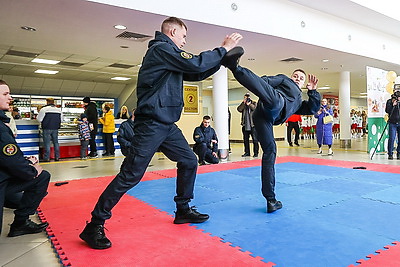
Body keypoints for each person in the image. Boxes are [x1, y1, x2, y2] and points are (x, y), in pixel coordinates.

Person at [79, 16, 242, 250]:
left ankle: (183, 210)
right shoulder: (161, 49)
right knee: (130, 175)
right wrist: (223, 48)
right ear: (173, 32)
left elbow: (195, 73)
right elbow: (194, 63)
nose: (185, 42)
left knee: (189, 161)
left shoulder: (169, 57)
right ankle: (94, 225)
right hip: (151, 125)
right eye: (184, 36)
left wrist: (221, 61)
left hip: (167, 125)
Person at [221, 47, 320, 213]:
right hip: (269, 104)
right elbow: (266, 81)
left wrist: (313, 92)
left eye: (301, 78)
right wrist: (260, 87)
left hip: (267, 119)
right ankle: (234, 66)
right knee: (273, 98)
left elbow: (311, 109)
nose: (297, 78)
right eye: (295, 76)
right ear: (291, 77)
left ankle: (271, 199)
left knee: (270, 151)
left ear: (303, 83)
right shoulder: (284, 80)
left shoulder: (298, 102)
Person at [0, 79, 50, 237]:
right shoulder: (1, 128)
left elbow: (8, 157)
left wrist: (25, 161)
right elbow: (12, 161)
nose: (10, 98)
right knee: (42, 176)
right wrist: (31, 170)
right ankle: (20, 222)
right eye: (5, 94)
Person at [237, 93, 259, 157]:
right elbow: (239, 109)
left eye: (247, 97)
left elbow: (255, 109)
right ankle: (247, 152)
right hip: (245, 125)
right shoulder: (243, 104)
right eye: (245, 98)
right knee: (245, 140)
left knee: (255, 140)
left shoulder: (254, 103)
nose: (246, 99)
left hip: (253, 125)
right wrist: (243, 103)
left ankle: (256, 153)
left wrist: (249, 104)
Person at [385, 88, 400, 160]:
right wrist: (393, 105)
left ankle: (399, 153)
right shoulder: (389, 101)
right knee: (392, 138)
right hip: (392, 122)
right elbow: (387, 111)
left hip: (399, 122)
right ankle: (390, 154)